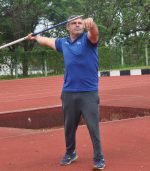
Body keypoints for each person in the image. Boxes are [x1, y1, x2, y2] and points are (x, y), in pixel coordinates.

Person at [27, 15, 105, 170]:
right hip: (68, 92)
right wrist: (35, 37)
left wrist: (92, 24)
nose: (77, 25)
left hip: (88, 92)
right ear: (67, 27)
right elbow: (47, 41)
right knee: (69, 126)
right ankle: (70, 152)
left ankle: (99, 158)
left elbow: (94, 33)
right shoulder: (63, 43)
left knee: (92, 126)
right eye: (73, 23)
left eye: (79, 23)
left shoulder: (89, 40)